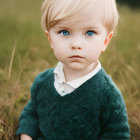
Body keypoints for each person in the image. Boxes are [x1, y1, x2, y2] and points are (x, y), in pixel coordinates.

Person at [16, 0, 130, 139]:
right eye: (65, 32)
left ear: (105, 41)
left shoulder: (108, 95)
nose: (76, 44)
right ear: (50, 39)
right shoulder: (42, 82)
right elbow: (32, 114)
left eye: (89, 33)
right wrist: (26, 135)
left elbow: (117, 134)